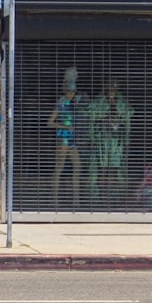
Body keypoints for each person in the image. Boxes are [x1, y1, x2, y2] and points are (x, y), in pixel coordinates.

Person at [87, 82, 133, 204]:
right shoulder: (98, 102)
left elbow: (128, 118)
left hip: (116, 141)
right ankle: (100, 196)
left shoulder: (123, 104)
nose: (112, 91)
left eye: (115, 88)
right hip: (102, 140)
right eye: (110, 88)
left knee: (113, 168)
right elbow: (92, 116)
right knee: (102, 168)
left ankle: (112, 196)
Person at [47, 67, 83, 208]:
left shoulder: (74, 103)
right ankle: (54, 199)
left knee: (77, 166)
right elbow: (50, 122)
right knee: (59, 168)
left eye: (73, 91)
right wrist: (66, 126)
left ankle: (76, 199)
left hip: (72, 140)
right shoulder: (61, 103)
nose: (71, 94)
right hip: (63, 139)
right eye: (69, 91)